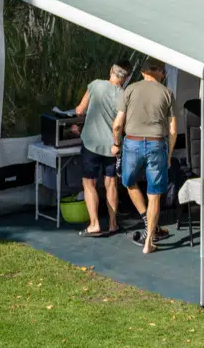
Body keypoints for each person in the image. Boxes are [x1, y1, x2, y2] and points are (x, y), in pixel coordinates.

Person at [111, 59, 177, 254]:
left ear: (143, 72)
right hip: (157, 143)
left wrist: (116, 144)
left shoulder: (129, 90)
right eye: (163, 72)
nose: (164, 76)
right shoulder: (167, 93)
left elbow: (117, 124)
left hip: (132, 142)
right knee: (154, 192)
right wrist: (170, 153)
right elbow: (173, 129)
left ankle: (146, 219)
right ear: (158, 73)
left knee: (128, 182)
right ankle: (149, 241)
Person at [73, 60, 130, 237]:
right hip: (112, 146)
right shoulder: (125, 95)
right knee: (111, 183)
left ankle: (94, 224)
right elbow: (122, 124)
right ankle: (113, 224)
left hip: (91, 143)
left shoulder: (95, 84)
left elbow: (80, 110)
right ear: (126, 78)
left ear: (111, 70)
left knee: (89, 183)